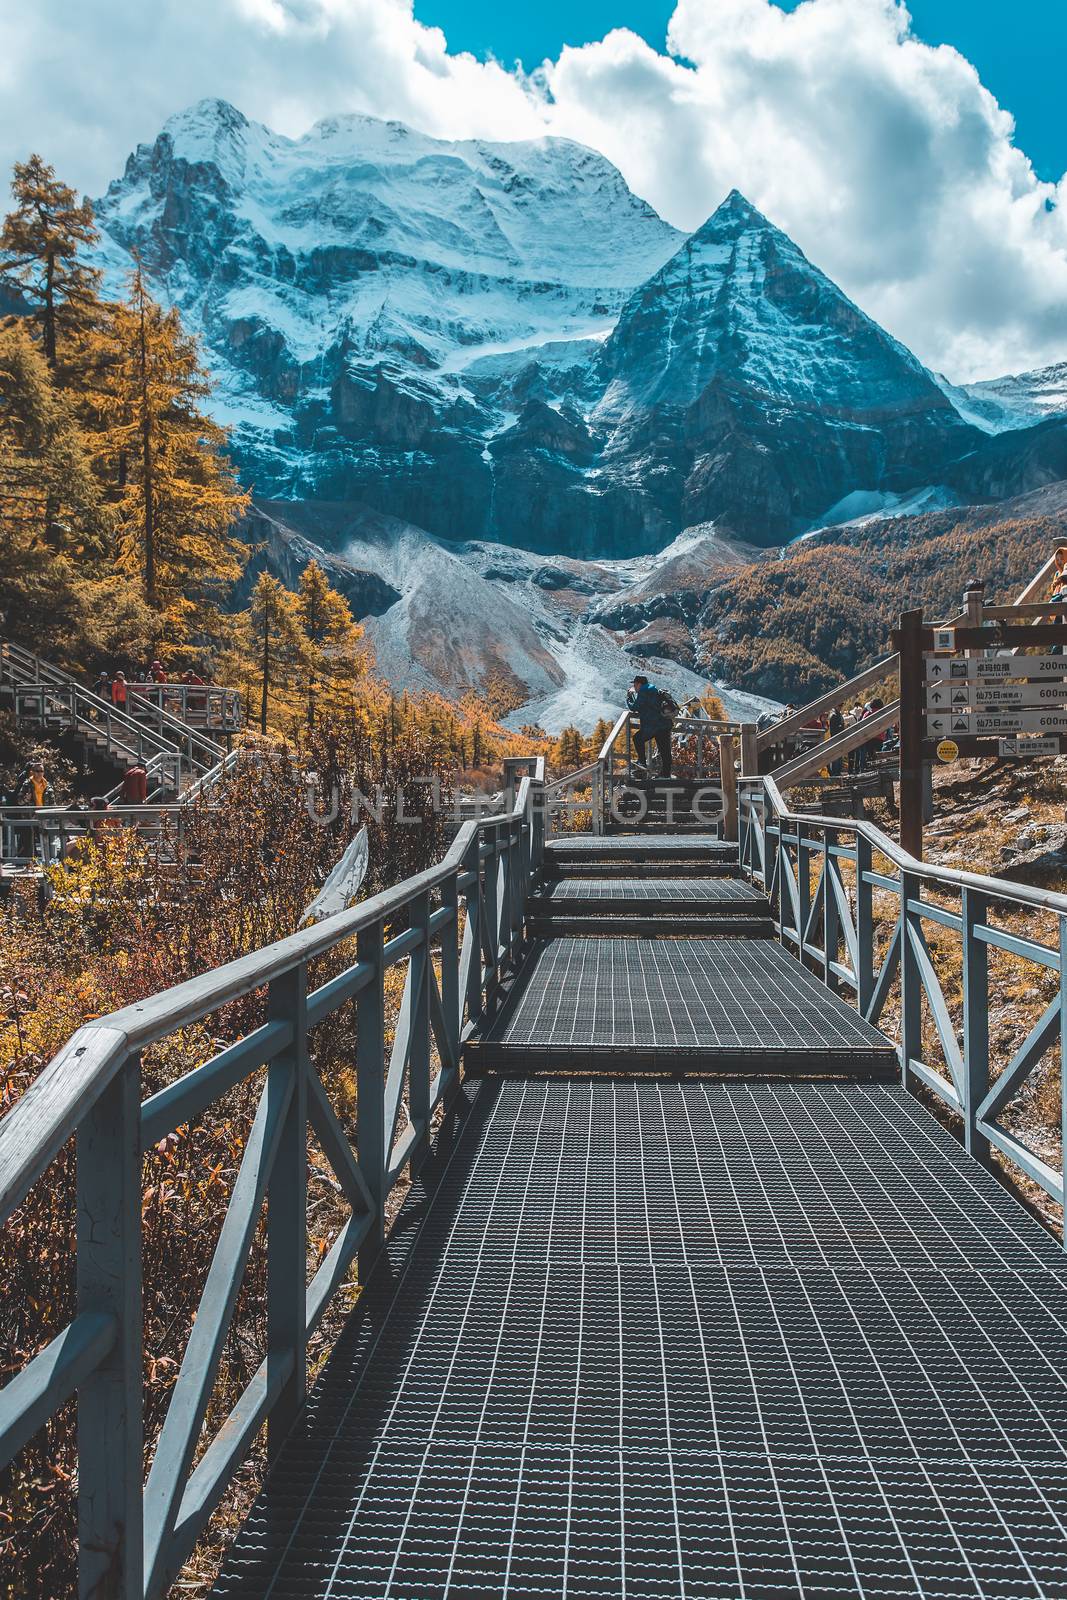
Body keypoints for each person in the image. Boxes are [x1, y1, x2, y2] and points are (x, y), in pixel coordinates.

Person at [626, 674, 675, 779]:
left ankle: (642, 762)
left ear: (639, 684)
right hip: (664, 723)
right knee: (664, 749)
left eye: (635, 685)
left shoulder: (644, 691)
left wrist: (629, 698)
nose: (634, 687)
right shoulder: (653, 689)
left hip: (654, 725)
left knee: (637, 738)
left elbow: (634, 707)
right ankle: (666, 774)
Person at [827, 705, 845, 776]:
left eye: (841, 705)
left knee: (839, 757)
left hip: (839, 738)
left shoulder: (838, 714)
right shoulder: (834, 715)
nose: (840, 707)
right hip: (835, 738)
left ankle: (837, 772)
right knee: (836, 757)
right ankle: (835, 773)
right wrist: (840, 727)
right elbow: (833, 729)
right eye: (839, 706)